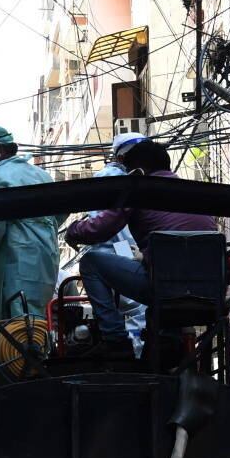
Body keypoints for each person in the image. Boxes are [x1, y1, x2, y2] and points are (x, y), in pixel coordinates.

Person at [65, 139, 217, 355]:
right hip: (208, 292)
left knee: (90, 262)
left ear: (137, 170)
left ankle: (115, 339)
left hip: (164, 287)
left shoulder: (139, 189)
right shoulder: (193, 192)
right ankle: (166, 344)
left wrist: (73, 230)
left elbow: (100, 228)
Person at [0, 126, 63, 319]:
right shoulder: (42, 175)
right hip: (47, 263)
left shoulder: (0, 178)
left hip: (18, 267)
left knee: (20, 330)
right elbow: (60, 213)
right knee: (37, 324)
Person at [78, 132, 150, 352]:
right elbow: (111, 225)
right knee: (136, 305)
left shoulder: (135, 177)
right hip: (119, 247)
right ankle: (132, 351)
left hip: (122, 248)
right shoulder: (114, 177)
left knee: (134, 307)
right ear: (121, 157)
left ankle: (130, 349)